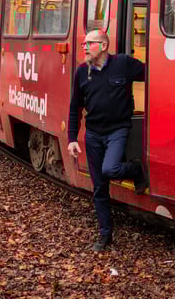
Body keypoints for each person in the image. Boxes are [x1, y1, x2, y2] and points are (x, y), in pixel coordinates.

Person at [67, 28, 147, 251]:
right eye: (83, 44)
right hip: (93, 134)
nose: (84, 47)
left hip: (118, 130)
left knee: (110, 169)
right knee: (99, 187)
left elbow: (154, 74)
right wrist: (72, 138)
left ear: (103, 46)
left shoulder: (123, 64)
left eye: (89, 43)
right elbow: (75, 108)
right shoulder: (81, 72)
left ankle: (136, 169)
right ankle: (105, 234)